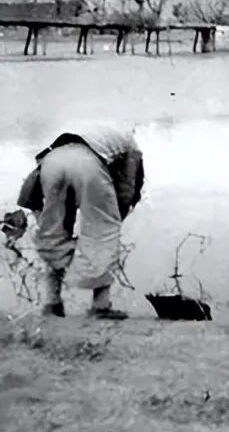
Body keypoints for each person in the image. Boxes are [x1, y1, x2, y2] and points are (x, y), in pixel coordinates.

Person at [18, 126, 144, 319]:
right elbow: (127, 191)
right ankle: (100, 305)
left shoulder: (80, 129)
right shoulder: (130, 144)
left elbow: (30, 196)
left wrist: (51, 230)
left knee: (54, 236)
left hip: (51, 163)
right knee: (102, 235)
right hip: (88, 163)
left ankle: (52, 303)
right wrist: (112, 222)